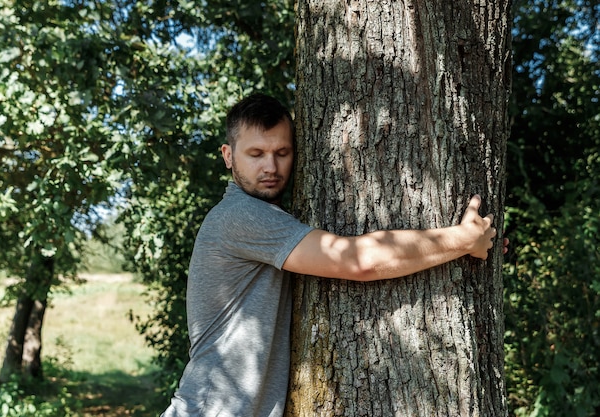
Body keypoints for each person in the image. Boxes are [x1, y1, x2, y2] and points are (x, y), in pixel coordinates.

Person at [161, 93, 507, 417]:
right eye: (256, 154)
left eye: (282, 153)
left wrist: (482, 238)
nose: (271, 166)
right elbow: (357, 261)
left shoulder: (266, 220)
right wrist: (461, 240)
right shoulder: (241, 216)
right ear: (228, 156)